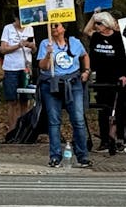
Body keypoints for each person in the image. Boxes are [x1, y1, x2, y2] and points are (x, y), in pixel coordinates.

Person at [37, 22, 92, 168]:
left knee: (78, 119)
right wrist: (48, 54)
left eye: (56, 25)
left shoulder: (74, 42)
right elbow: (43, 66)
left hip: (72, 83)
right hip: (52, 83)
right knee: (54, 121)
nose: (53, 28)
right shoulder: (45, 43)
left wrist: (86, 70)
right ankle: (55, 156)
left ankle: (82, 155)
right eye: (51, 26)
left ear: (64, 28)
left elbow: (84, 55)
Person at [83, 10, 126, 152]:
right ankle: (104, 140)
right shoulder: (95, 37)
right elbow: (86, 30)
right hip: (102, 77)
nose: (96, 26)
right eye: (96, 24)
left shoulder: (119, 38)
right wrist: (95, 15)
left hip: (117, 78)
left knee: (117, 109)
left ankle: (116, 137)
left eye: (99, 24)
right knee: (103, 109)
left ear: (107, 24)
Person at [0, 13, 36, 132]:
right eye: (21, 19)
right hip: (11, 68)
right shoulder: (8, 28)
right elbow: (3, 49)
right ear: (15, 18)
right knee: (12, 100)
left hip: (25, 68)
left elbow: (34, 49)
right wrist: (18, 46)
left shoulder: (30, 28)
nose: (23, 22)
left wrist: (30, 45)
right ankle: (12, 129)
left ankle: (23, 129)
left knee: (25, 100)